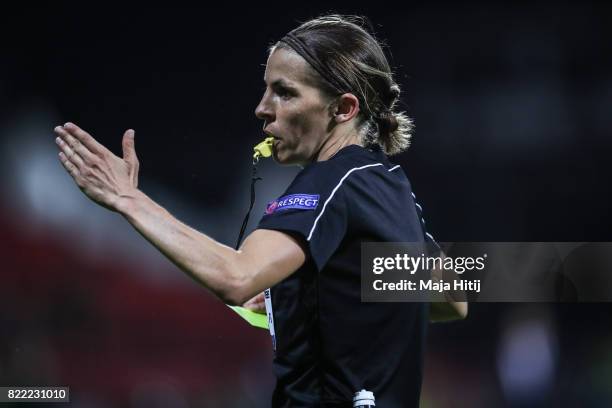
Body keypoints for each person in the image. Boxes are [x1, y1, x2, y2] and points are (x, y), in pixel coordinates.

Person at [53, 14, 466, 408]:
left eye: (285, 92)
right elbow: (453, 296)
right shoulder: (389, 183)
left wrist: (128, 199)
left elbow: (237, 277)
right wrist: (314, 295)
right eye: (267, 89)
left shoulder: (331, 182)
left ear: (343, 109)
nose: (262, 108)